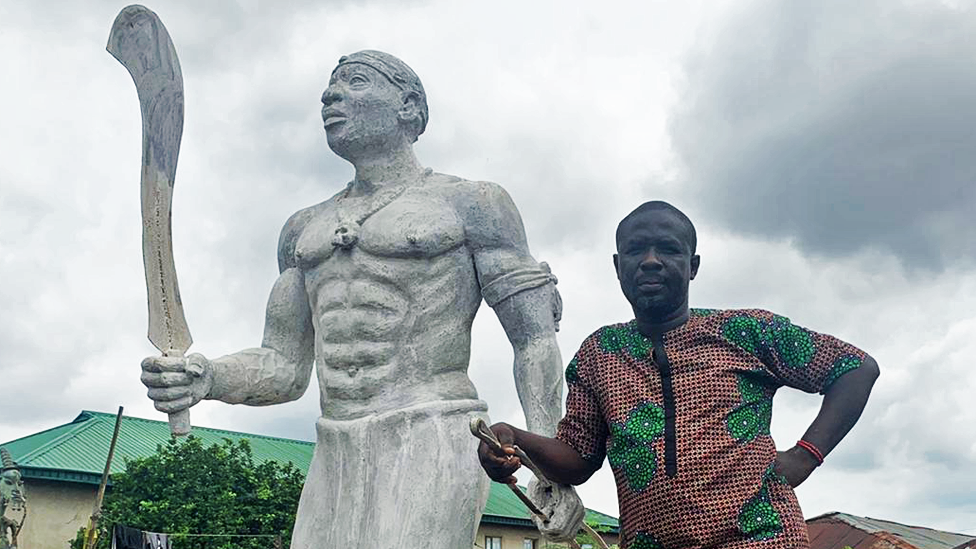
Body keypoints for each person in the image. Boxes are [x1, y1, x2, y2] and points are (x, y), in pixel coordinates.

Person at [140, 50, 565, 548]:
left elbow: (534, 338)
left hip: (434, 431)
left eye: (355, 82)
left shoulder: (472, 202)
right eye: (330, 85)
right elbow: (284, 367)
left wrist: (552, 468)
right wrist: (206, 377)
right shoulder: (302, 230)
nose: (330, 95)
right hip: (335, 445)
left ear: (408, 106)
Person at [479, 201, 880, 549]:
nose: (650, 260)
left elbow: (855, 369)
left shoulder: (747, 332)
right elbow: (578, 459)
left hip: (761, 536)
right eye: (636, 250)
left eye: (668, 249)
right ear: (619, 267)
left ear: (692, 266)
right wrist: (513, 440)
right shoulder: (598, 354)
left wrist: (805, 455)